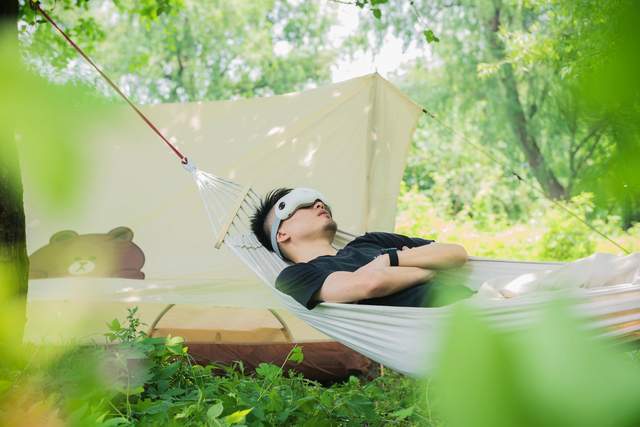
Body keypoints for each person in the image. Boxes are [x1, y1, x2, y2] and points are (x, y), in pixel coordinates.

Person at [250, 187, 476, 310]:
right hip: (443, 322)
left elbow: (456, 253)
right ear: (282, 234)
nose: (319, 204)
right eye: (302, 205)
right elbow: (370, 284)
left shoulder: (370, 241)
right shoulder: (295, 277)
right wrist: (428, 268)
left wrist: (388, 260)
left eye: (318, 201)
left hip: (476, 303)